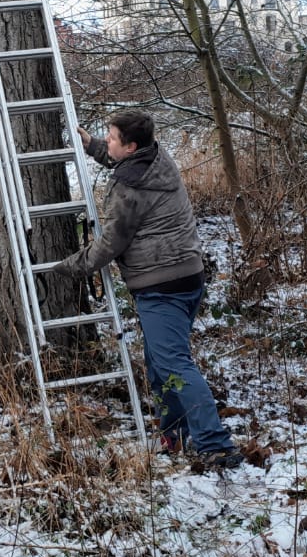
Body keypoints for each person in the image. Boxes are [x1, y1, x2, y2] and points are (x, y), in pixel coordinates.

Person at [54, 110, 243, 470]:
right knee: (160, 364)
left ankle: (216, 445)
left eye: (110, 138)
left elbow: (111, 244)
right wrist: (93, 146)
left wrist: (68, 266)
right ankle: (173, 434)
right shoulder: (158, 159)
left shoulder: (130, 190)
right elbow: (123, 162)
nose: (106, 140)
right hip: (189, 276)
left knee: (173, 363)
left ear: (131, 146)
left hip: (161, 285)